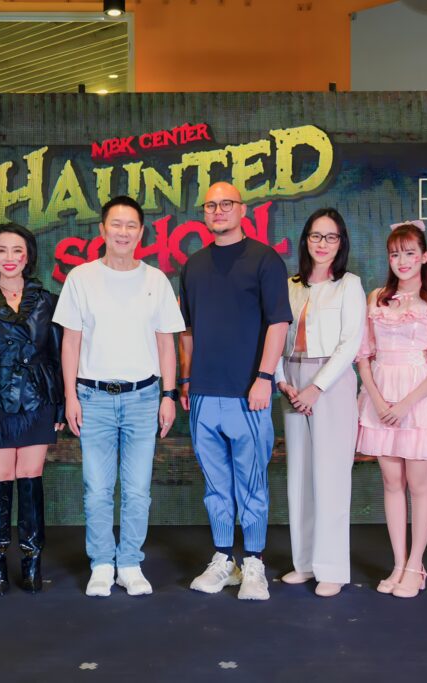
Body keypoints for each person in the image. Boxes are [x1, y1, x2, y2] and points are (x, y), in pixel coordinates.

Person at [53, 195, 184, 598]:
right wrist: (70, 396)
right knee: (97, 488)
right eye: (116, 224)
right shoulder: (81, 278)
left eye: (131, 226)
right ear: (102, 230)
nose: (123, 232)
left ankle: (129, 562)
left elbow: (166, 344)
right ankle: (101, 563)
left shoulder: (156, 280)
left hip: (143, 398)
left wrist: (168, 395)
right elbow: (70, 343)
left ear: (141, 233)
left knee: (138, 489)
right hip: (93, 398)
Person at [178, 182, 292, 601]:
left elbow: (279, 323)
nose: (219, 210)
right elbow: (186, 331)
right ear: (204, 214)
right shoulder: (193, 266)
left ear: (242, 210)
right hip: (203, 395)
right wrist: (185, 381)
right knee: (216, 486)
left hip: (249, 394)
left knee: (252, 483)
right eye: (211, 205)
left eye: (227, 203)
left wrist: (264, 377)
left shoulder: (265, 260)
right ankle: (224, 559)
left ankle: (254, 563)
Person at [355, 221, 427, 599]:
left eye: (410, 253)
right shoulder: (377, 297)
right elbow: (364, 355)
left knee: (418, 484)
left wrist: (405, 404)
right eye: (395, 254)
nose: (402, 261)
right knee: (391, 483)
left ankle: (416, 565)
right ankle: (398, 563)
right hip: (381, 397)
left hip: (419, 400)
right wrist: (377, 399)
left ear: (424, 257)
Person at [0, 223, 64, 594]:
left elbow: (58, 356)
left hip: (38, 398)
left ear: (28, 256)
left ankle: (33, 562)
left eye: (17, 250)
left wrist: (60, 407)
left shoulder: (47, 300)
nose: (9, 258)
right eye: (1, 250)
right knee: (1, 477)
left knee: (32, 476)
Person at [275, 208, 366, 598]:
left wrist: (316, 387)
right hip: (291, 380)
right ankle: (304, 563)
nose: (323, 244)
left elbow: (351, 343)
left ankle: (332, 568)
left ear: (341, 242)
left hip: (330, 382)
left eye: (331, 237)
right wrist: (281, 379)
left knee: (330, 476)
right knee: (299, 477)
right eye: (316, 236)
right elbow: (273, 333)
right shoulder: (290, 285)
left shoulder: (349, 285)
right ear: (305, 240)